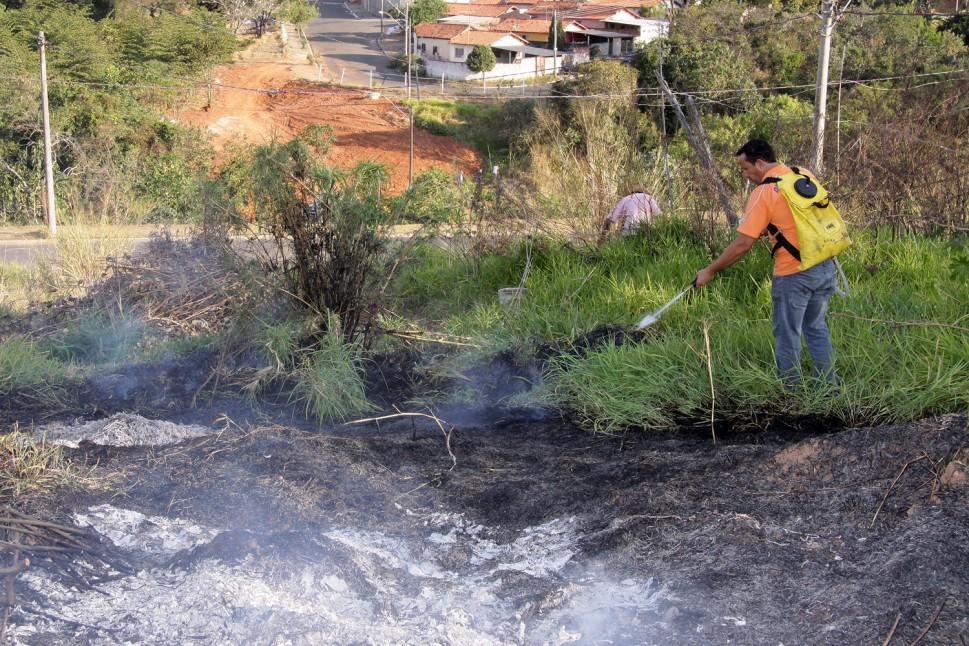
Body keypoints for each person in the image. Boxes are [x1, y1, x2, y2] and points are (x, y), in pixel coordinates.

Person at [693, 139, 838, 385]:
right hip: (824, 265)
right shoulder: (801, 173)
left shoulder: (763, 192)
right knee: (816, 328)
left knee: (787, 335)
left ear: (759, 163)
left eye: (746, 169)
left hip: (794, 273)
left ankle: (790, 393)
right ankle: (828, 388)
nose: (746, 175)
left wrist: (710, 271)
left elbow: (742, 245)